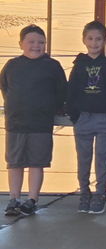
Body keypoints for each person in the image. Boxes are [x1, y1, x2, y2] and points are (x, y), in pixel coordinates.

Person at [1, 25, 67, 217]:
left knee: (37, 163)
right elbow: (4, 87)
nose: (36, 46)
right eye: (31, 42)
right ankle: (14, 198)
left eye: (41, 42)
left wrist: (50, 108)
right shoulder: (12, 65)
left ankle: (32, 199)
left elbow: (61, 91)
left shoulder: (52, 66)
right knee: (15, 163)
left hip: (40, 124)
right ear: (21, 44)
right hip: (16, 123)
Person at [66, 20, 106, 215]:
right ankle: (84, 192)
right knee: (83, 158)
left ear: (105, 41)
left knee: (102, 158)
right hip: (84, 118)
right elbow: (72, 90)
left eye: (98, 39)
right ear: (84, 40)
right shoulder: (79, 64)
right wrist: (75, 114)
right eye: (90, 38)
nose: (94, 43)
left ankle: (101, 193)